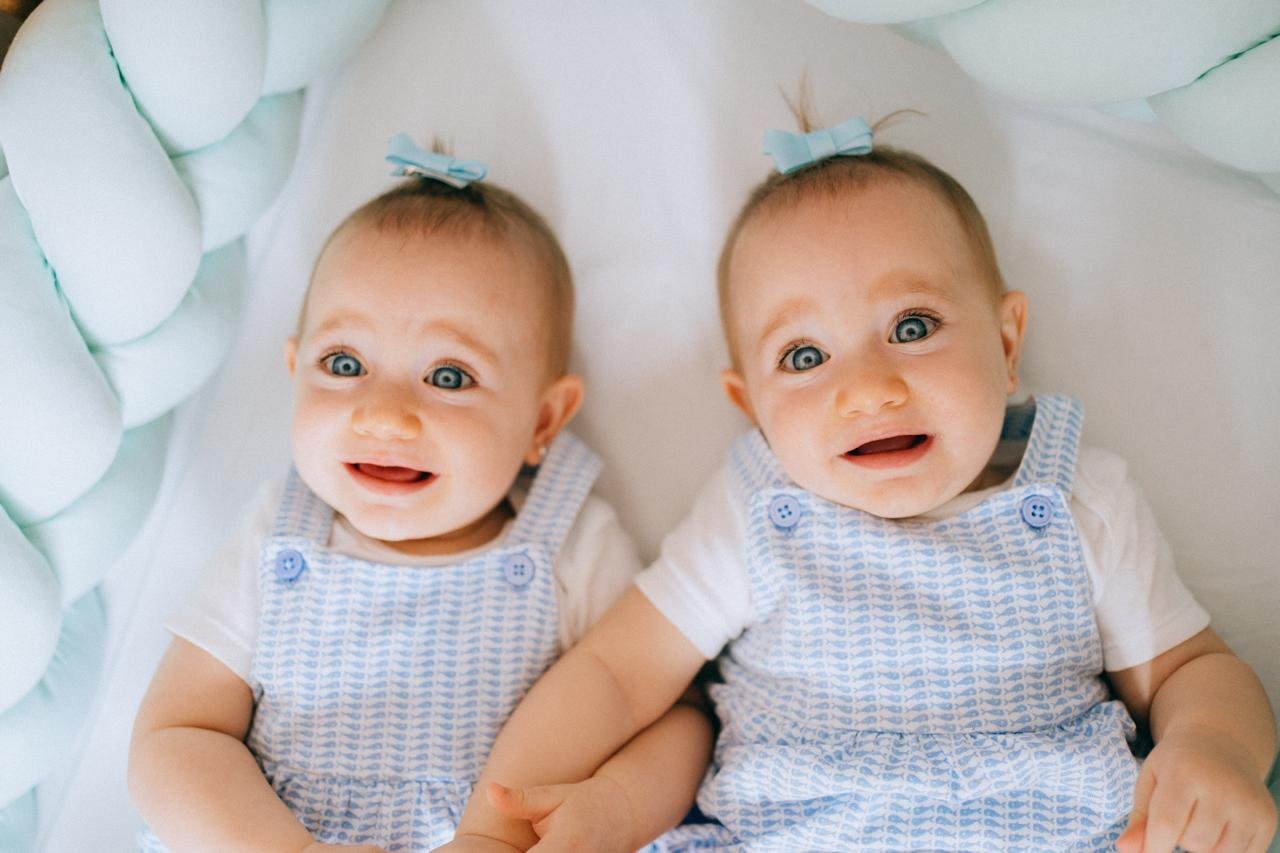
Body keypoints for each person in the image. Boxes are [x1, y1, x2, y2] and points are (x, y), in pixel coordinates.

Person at [441, 113, 1279, 852]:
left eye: (912, 326)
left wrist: (1215, 746)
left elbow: (1184, 670)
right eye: (804, 356)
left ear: (1006, 338)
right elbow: (617, 676)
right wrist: (496, 825)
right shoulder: (754, 516)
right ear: (752, 409)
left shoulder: (1074, 502)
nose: (867, 387)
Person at [128, 135, 712, 853]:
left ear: (542, 421)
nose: (384, 414)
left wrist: (616, 806)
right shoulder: (278, 538)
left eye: (448, 376)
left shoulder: (572, 545)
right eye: (344, 363)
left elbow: (675, 718)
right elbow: (174, 737)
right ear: (293, 370)